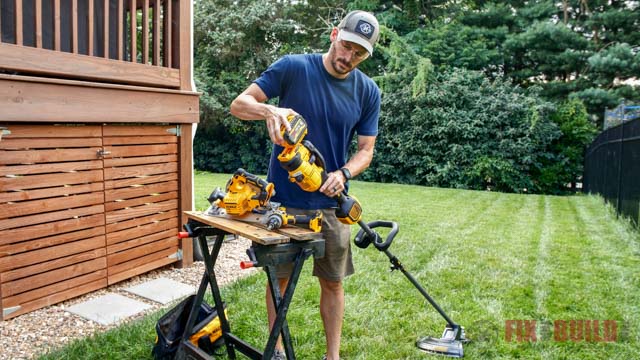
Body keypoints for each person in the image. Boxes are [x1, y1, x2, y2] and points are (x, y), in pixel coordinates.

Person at [230, 10, 381, 360]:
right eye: (346, 46)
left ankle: (333, 356)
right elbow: (239, 104)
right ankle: (277, 351)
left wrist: (343, 173)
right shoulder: (294, 67)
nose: (348, 57)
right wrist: (271, 112)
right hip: (283, 202)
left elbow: (366, 150)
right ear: (333, 34)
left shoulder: (368, 91)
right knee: (279, 281)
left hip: (331, 204)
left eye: (359, 53)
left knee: (333, 281)